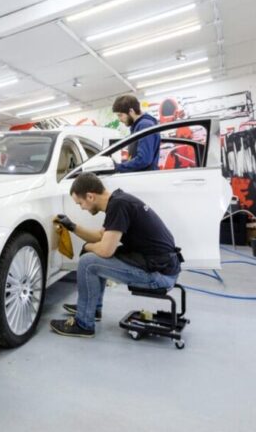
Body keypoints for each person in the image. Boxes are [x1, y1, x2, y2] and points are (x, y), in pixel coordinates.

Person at [50, 173, 182, 338]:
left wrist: (87, 247)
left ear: (90, 196)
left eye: (80, 203)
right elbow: (101, 236)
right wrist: (72, 226)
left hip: (159, 275)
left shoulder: (118, 205)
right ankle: (92, 309)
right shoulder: (119, 200)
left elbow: (106, 250)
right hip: (161, 268)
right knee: (95, 257)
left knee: (88, 262)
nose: (81, 208)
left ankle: (83, 323)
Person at [112, 94, 160, 172]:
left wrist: (118, 167)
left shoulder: (144, 125)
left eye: (120, 115)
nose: (120, 119)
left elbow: (144, 160)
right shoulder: (137, 127)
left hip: (145, 177)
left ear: (131, 111)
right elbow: (136, 157)